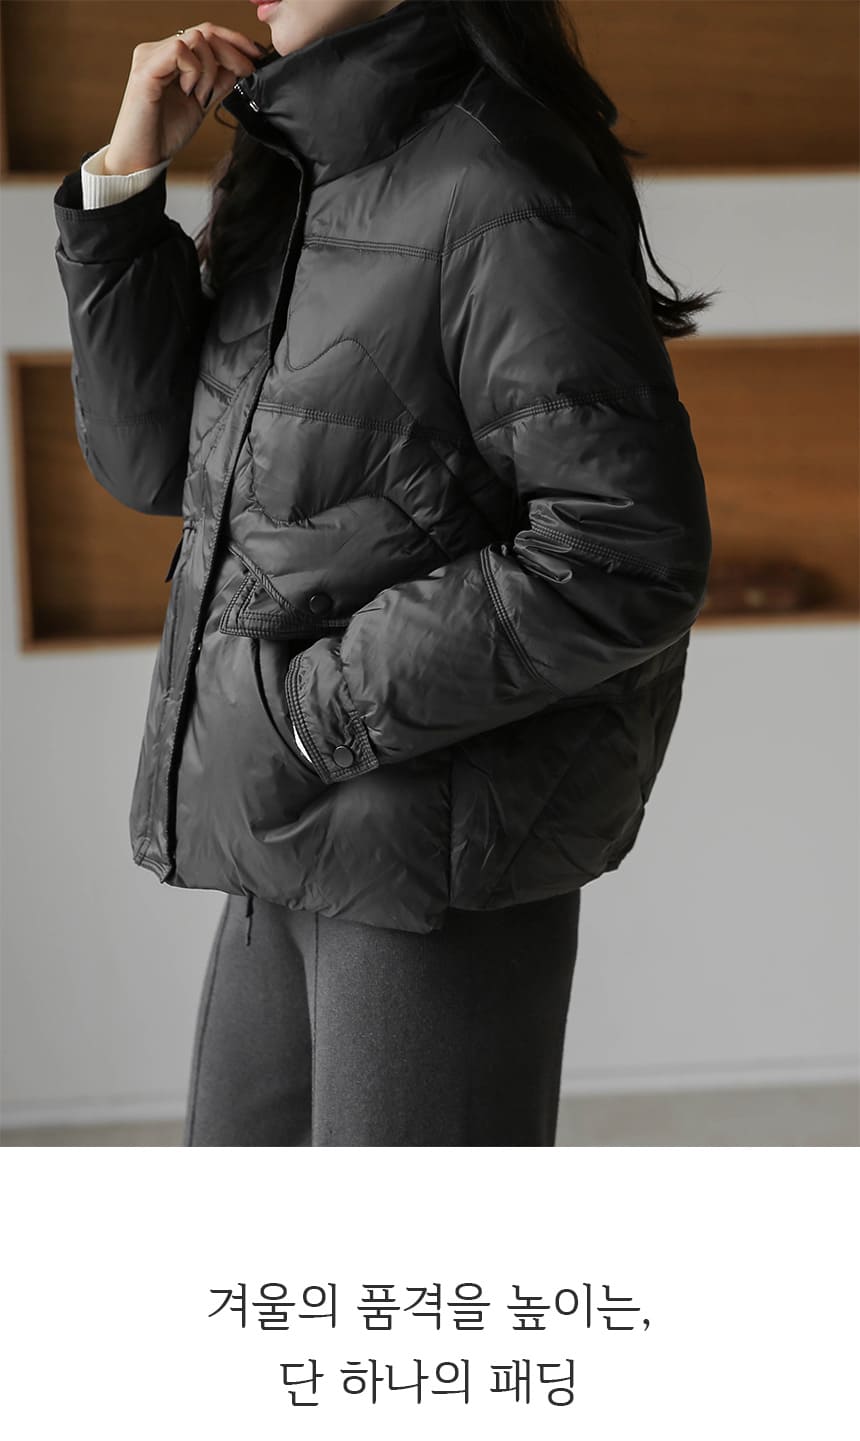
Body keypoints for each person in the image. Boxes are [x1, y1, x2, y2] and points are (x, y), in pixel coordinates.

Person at [52, 0, 714, 1147]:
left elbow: (624, 549)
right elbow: (157, 464)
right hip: (282, 826)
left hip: (422, 859)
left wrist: (312, 715)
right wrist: (123, 189)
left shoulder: (497, 181)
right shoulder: (303, 163)